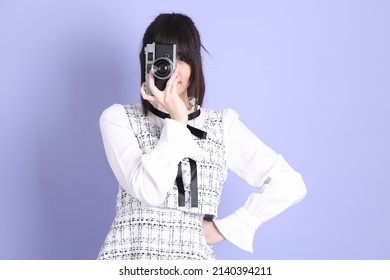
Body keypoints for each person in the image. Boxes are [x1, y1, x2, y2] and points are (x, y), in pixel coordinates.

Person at [97, 12, 306, 260]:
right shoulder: (119, 119)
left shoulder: (221, 126)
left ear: (195, 64)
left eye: (182, 58)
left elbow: (290, 183)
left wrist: (227, 228)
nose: (172, 70)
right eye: (164, 58)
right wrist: (177, 121)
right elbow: (149, 192)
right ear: (147, 62)